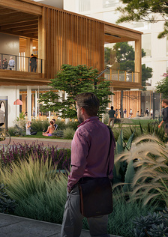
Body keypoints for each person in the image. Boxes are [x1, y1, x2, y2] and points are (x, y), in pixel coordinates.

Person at [61, 92, 114, 237]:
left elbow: (78, 166)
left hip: (82, 186)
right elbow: (110, 160)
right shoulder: (107, 130)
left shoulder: (82, 131)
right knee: (100, 233)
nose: (76, 111)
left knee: (70, 231)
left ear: (82, 110)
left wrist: (71, 184)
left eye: (77, 108)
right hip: (101, 187)